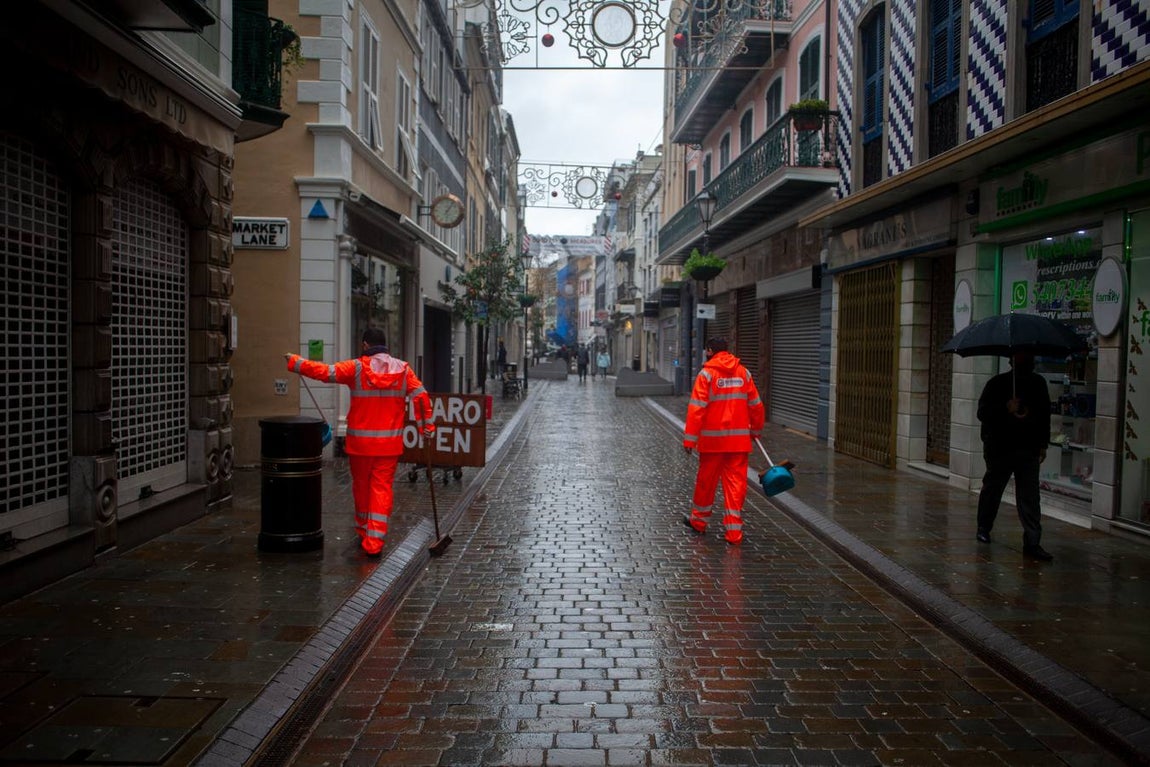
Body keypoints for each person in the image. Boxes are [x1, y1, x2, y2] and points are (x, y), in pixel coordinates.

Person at [285, 327, 434, 557]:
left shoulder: (356, 368)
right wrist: (427, 428)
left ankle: (364, 530)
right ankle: (374, 541)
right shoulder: (404, 370)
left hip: (360, 445)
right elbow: (421, 396)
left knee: (361, 488)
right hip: (388, 446)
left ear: (366, 346)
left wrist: (296, 362)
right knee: (381, 490)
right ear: (386, 346)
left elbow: (326, 372)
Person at [682, 337, 764, 545]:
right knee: (736, 486)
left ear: (710, 350)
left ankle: (699, 522)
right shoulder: (743, 373)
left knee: (705, 483)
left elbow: (697, 409)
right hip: (738, 444)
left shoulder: (706, 374)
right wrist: (755, 430)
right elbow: (755, 405)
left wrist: (690, 440)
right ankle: (734, 533)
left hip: (712, 444)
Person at [976, 351, 1053, 561]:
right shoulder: (998, 384)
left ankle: (1033, 541)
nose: (1027, 362)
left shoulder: (1038, 384)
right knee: (993, 488)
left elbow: (1044, 415)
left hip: (1027, 449)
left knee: (1029, 496)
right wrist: (1005, 408)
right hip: (1000, 448)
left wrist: (1043, 444)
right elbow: (982, 413)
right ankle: (983, 526)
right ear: (1011, 361)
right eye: (1021, 358)